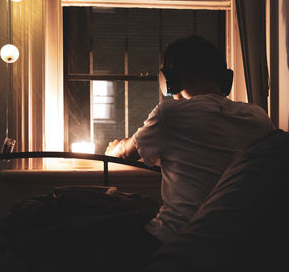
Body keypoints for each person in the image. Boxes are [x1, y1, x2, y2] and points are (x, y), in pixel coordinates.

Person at [105, 36, 275, 244]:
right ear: (224, 79)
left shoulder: (169, 114)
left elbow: (124, 154)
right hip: (239, 240)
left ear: (169, 79)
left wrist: (115, 146)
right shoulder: (257, 117)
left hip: (176, 238)